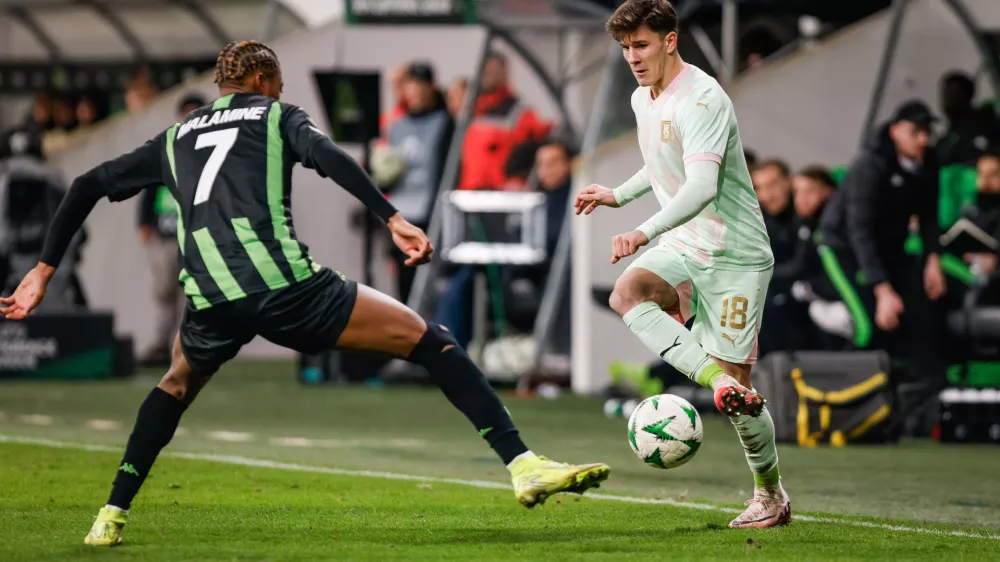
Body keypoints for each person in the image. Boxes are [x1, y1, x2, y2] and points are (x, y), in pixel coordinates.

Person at [0, 40, 609, 548]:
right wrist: (390, 216)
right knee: (434, 341)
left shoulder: (174, 137)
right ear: (263, 79)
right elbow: (330, 157)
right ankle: (523, 465)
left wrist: (43, 271)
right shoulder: (276, 115)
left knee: (175, 385)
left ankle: (110, 516)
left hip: (212, 295)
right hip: (288, 288)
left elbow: (86, 183)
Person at [574, 0, 789, 529]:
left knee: (740, 401)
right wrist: (618, 195)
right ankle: (714, 377)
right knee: (627, 292)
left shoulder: (703, 99)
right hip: (689, 243)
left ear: (670, 40)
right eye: (625, 48)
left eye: (641, 45)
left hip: (735, 255)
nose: (633, 57)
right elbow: (660, 160)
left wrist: (642, 230)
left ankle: (771, 494)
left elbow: (700, 184)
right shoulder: (643, 96)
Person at [816, 100, 946, 379]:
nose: (923, 140)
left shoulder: (928, 161)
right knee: (866, 325)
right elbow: (858, 229)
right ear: (895, 131)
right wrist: (882, 289)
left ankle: (922, 394)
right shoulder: (870, 164)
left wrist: (933, 259)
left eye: (927, 132)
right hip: (843, 248)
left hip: (888, 246)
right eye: (916, 132)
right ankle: (838, 393)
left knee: (917, 315)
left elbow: (929, 215)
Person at [137, 94, 207, 366]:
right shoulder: (168, 147)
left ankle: (188, 346)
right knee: (165, 291)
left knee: (194, 294)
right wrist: (144, 222)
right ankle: (161, 344)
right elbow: (149, 184)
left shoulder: (211, 150)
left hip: (196, 236)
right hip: (165, 236)